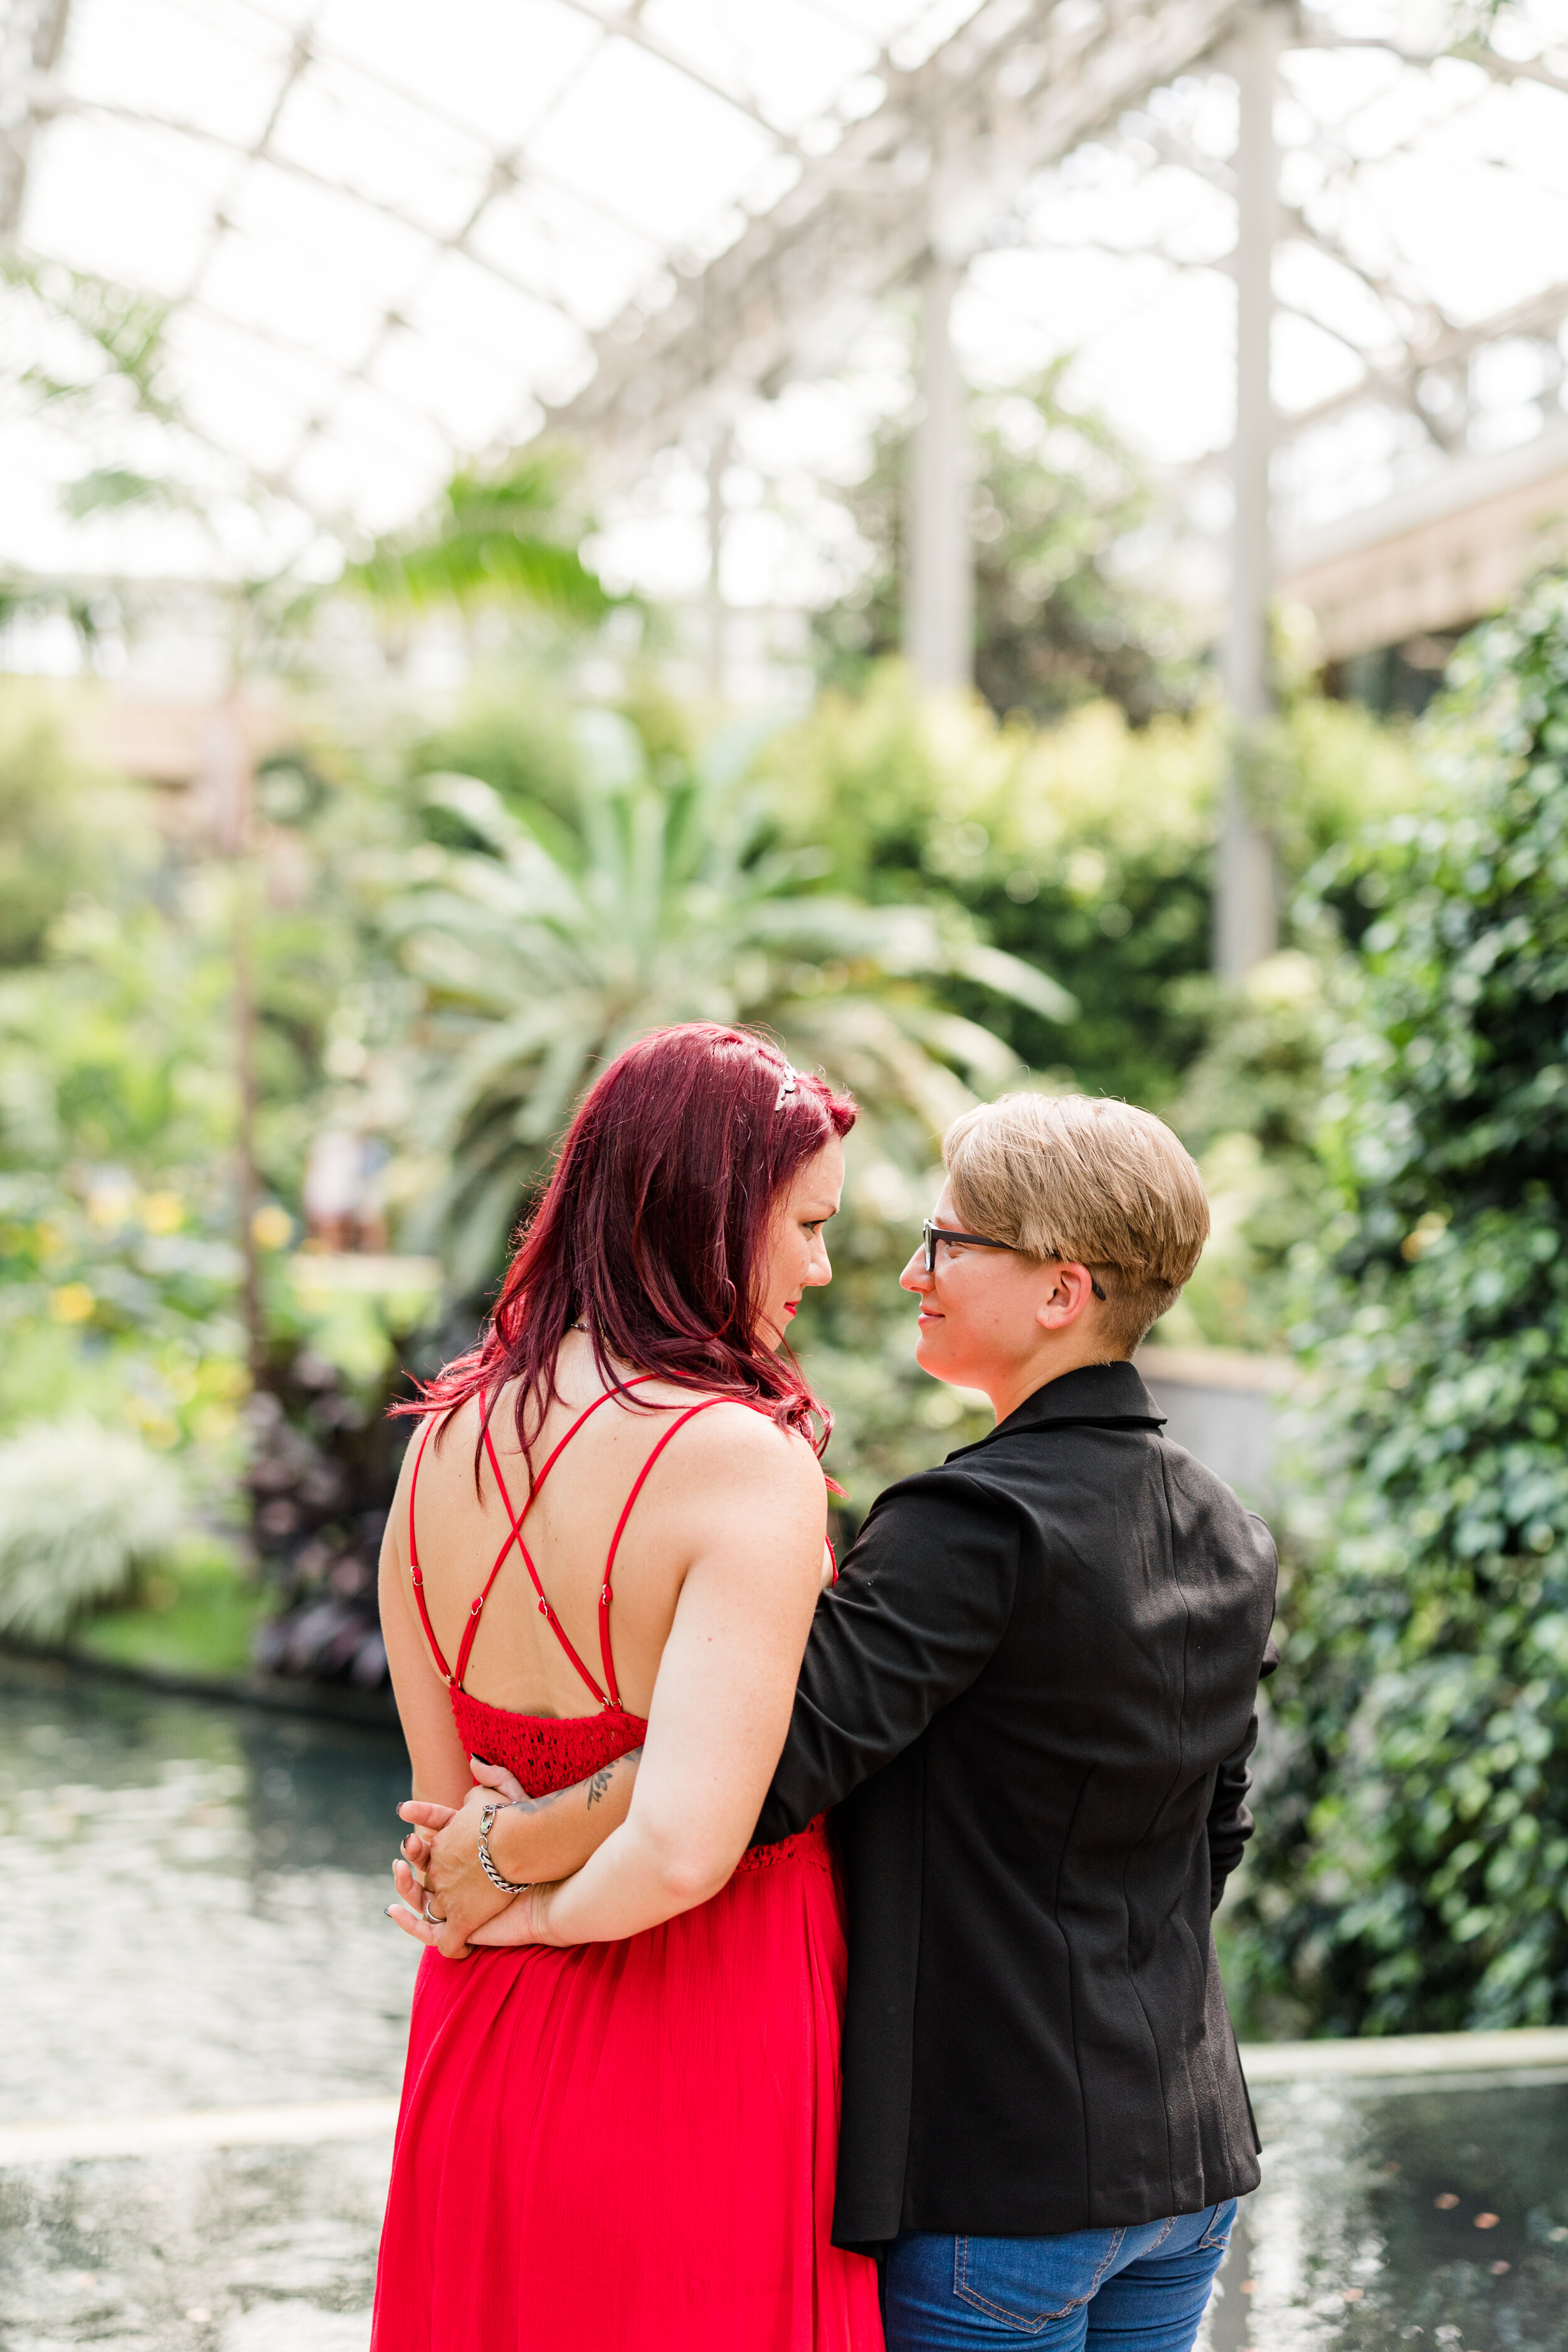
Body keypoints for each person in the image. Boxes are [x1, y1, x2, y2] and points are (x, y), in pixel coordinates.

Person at [433, 1091, 1278, 2352]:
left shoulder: (968, 1528)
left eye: (947, 1244)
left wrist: (503, 1851)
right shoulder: (1223, 1522)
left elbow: (759, 1768)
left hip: (994, 2178)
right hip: (1186, 2158)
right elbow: (1214, 1834)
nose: (906, 1272)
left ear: (1061, 1290)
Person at [372, 1023, 882, 2352]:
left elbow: (448, 1823)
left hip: (476, 2036)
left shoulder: (435, 1448)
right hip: (700, 2041)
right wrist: (538, 1921)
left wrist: (505, 1916)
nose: (821, 1269)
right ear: (711, 1214)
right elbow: (676, 1851)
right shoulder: (739, 1459)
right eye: (806, 1226)